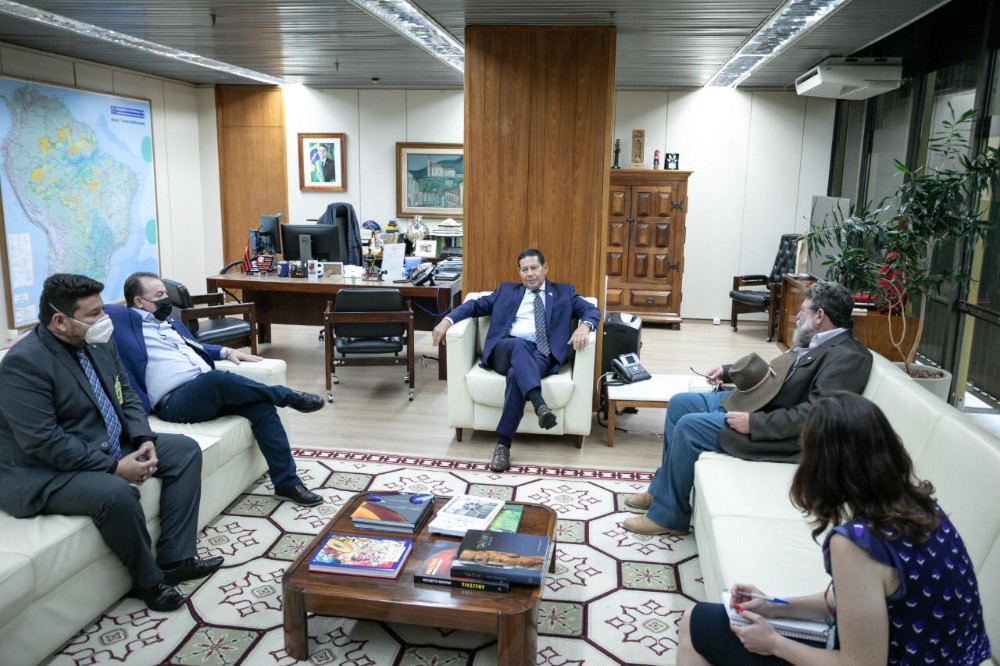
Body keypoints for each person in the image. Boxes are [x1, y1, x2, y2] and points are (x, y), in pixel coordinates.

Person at [677, 393, 992, 665]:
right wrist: (775, 606)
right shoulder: (923, 507)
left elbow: (860, 664)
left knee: (695, 623)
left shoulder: (856, 545)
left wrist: (774, 643)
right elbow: (855, 599)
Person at [0, 274, 223, 612]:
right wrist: (114, 467)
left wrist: (143, 438)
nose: (104, 319)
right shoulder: (24, 363)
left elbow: (126, 394)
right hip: (44, 470)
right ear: (60, 321)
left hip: (104, 441)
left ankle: (176, 559)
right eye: (93, 314)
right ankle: (149, 582)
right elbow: (44, 442)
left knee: (184, 451)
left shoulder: (99, 341)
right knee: (116, 493)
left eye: (102, 309)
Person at [624, 281, 872, 536]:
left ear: (819, 315)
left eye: (803, 310)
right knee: (680, 403)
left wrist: (754, 424)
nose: (798, 316)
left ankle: (669, 518)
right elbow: (775, 373)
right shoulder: (815, 341)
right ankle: (660, 491)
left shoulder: (849, 357)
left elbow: (817, 415)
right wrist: (729, 371)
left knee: (689, 427)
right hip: (757, 403)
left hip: (778, 433)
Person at [106, 272, 326, 507]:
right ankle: (288, 396)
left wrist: (226, 351)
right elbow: (94, 308)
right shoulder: (124, 322)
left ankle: (287, 484)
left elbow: (195, 345)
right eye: (159, 295)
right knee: (216, 379)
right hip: (175, 401)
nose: (166, 300)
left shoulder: (170, 322)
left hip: (205, 392)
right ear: (139, 302)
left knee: (262, 408)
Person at [431, 249, 600, 472]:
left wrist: (584, 326)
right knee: (518, 345)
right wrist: (447, 320)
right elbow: (474, 306)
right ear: (519, 272)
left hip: (541, 355)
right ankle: (539, 404)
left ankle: (503, 446)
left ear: (545, 268)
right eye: (524, 269)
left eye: (534, 268)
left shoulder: (563, 293)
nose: (529, 274)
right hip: (505, 350)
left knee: (515, 375)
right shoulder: (506, 291)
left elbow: (591, 310)